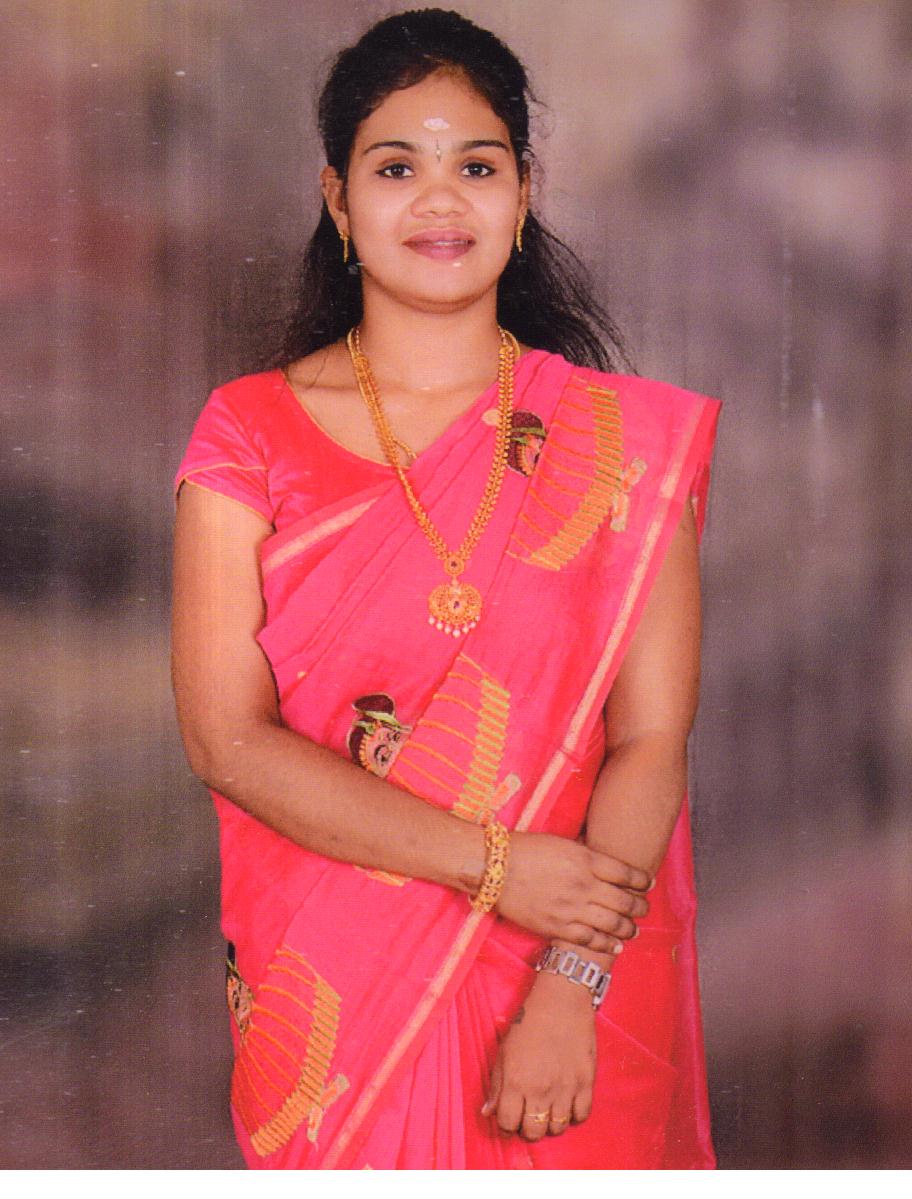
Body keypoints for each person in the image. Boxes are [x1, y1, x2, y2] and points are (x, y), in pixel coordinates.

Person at [171, 8, 720, 1170]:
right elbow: (227, 738)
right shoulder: (248, 434)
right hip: (337, 1000)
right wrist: (496, 867)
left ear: (523, 195)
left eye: (476, 167)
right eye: (395, 168)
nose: (439, 200)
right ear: (337, 199)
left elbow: (650, 737)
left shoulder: (616, 445)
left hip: (569, 988)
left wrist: (570, 985)